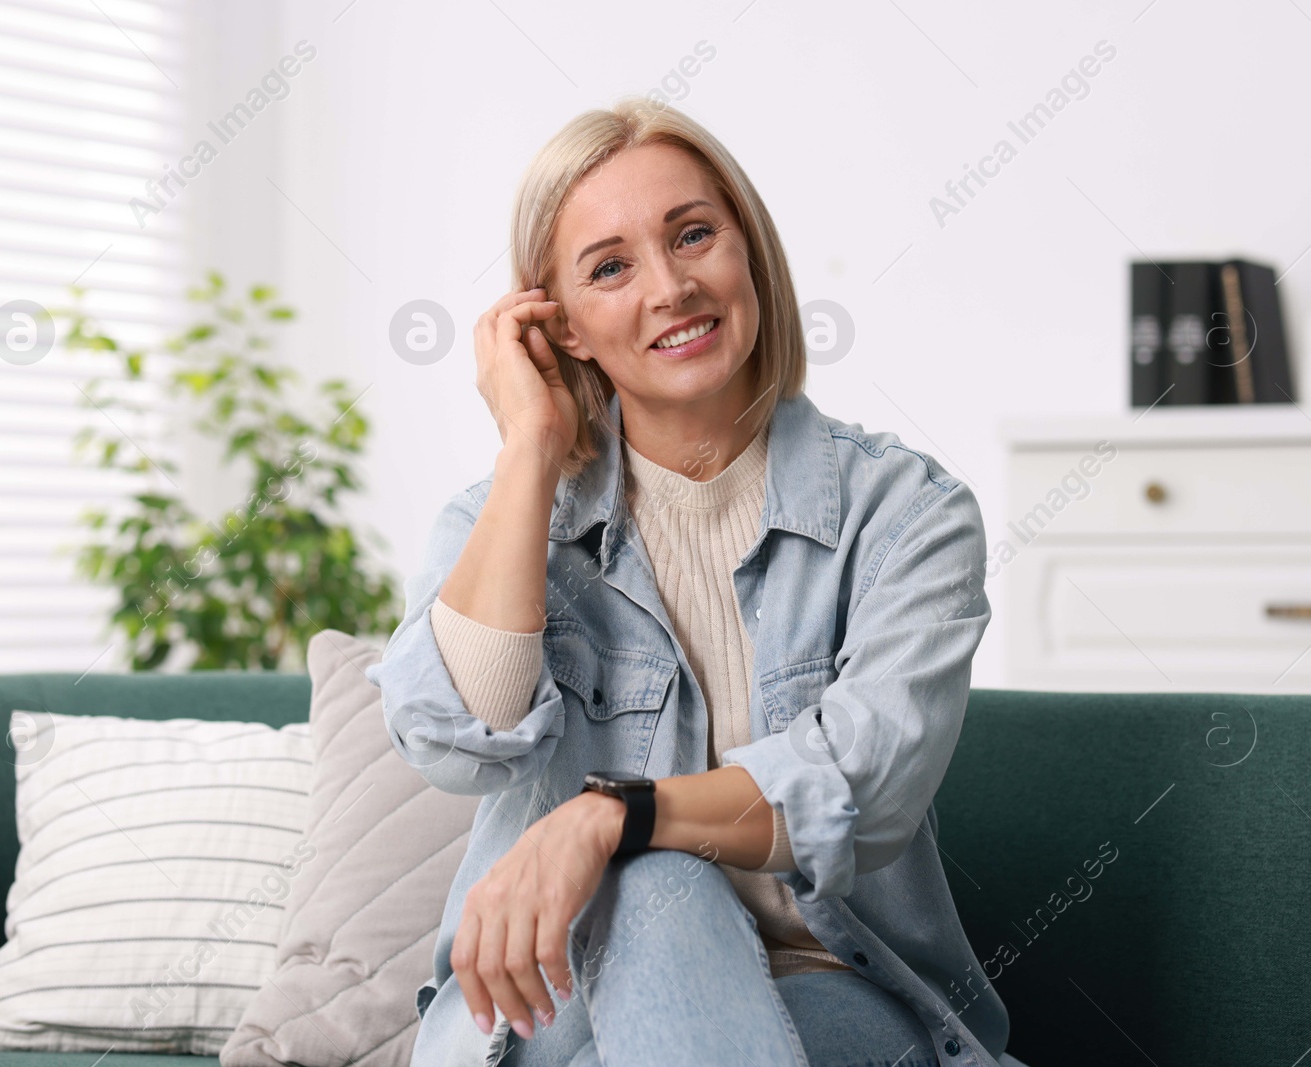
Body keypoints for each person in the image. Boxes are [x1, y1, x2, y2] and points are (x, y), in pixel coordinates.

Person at [365, 97, 1022, 1067]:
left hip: (826, 988)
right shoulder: (503, 516)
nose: (670, 286)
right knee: (647, 889)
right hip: (554, 998)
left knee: (656, 869)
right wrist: (530, 449)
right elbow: (456, 740)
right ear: (565, 327)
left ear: (746, 250)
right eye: (610, 266)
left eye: (693, 234)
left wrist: (614, 816)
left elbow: (864, 785)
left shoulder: (905, 513)